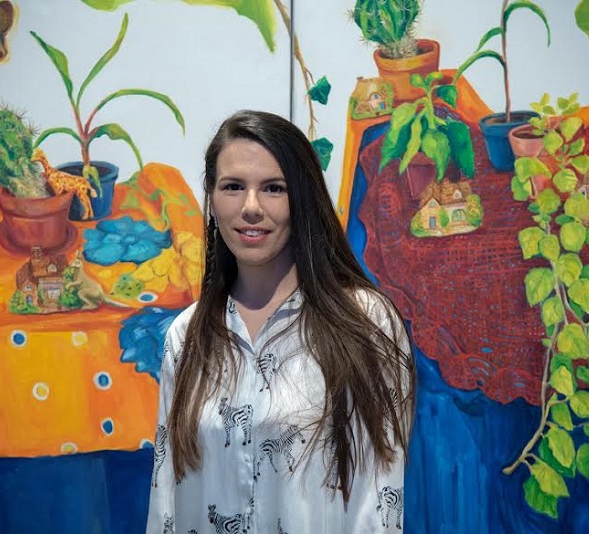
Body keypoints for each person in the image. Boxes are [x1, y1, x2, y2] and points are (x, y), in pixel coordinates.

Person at [146, 110, 415, 533]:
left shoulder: (365, 323)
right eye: (233, 187)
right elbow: (167, 498)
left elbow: (378, 503)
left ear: (302, 199)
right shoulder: (187, 335)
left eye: (273, 188)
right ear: (212, 199)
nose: (251, 207)